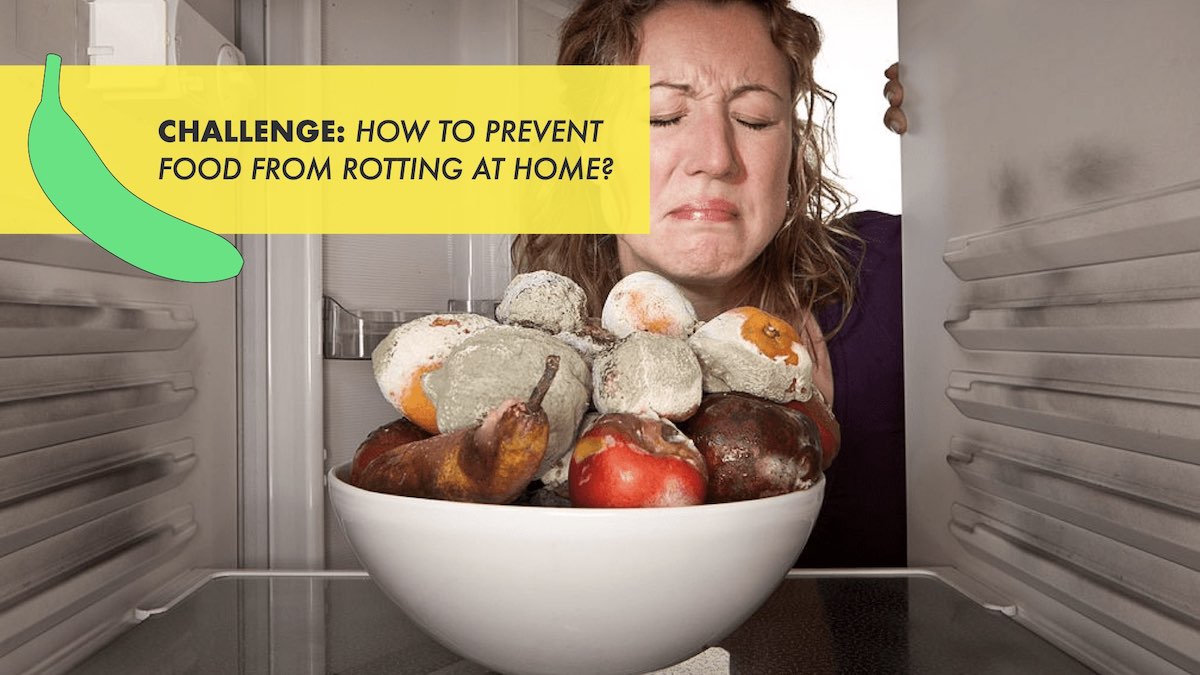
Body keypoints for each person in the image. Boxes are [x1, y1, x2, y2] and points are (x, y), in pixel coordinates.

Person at [513, 0, 906, 569]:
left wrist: (994, 127)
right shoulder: (543, 399)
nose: (716, 158)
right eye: (661, 116)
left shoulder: (897, 279)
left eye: (754, 120)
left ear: (793, 150)